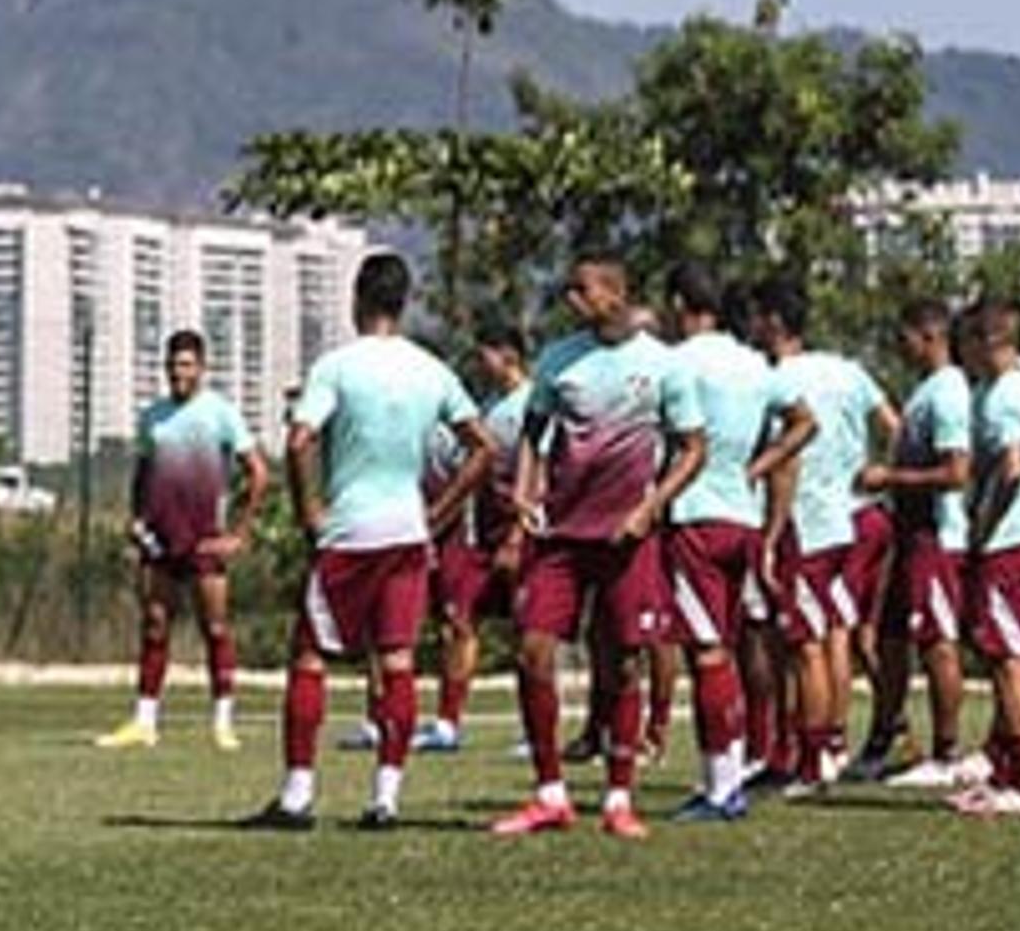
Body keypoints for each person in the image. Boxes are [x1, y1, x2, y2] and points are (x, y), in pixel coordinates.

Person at [250, 254, 488, 832]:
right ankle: (386, 799)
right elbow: (483, 447)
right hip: (406, 532)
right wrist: (439, 511)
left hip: (348, 533)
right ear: (403, 302)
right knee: (399, 661)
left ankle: (298, 796)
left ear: (357, 298)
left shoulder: (336, 365)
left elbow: (299, 438)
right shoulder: (431, 370)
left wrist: (310, 508)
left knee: (309, 656)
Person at [491, 255, 699, 841]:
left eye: (580, 289)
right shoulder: (559, 360)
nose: (570, 298)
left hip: (626, 537)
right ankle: (550, 794)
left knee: (622, 663)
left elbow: (692, 449)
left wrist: (647, 511)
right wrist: (527, 493)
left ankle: (618, 798)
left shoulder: (662, 365)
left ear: (614, 292)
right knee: (533, 651)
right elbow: (534, 433)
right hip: (560, 536)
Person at [741, 278, 891, 794]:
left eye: (757, 316)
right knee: (831, 633)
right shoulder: (847, 370)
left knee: (804, 643)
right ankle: (826, 744)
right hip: (847, 517)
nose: (751, 327)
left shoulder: (774, 379)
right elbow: (893, 424)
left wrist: (771, 528)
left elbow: (790, 456)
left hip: (804, 521)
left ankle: (814, 757)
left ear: (774, 322)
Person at [98, 329, 263, 752]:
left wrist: (239, 534)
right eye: (173, 365)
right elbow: (142, 472)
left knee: (216, 627)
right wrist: (135, 519)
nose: (179, 373)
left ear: (202, 368)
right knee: (154, 627)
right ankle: (144, 721)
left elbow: (258, 473)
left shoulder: (221, 413)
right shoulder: (152, 417)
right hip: (160, 540)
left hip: (205, 540)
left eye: (187, 365)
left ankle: (223, 721)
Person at [656, 265, 775, 822]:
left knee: (706, 652)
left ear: (681, 304)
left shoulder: (675, 363)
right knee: (724, 647)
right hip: (742, 517)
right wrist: (755, 467)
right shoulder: (755, 363)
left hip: (695, 517)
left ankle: (721, 785)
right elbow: (801, 423)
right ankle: (731, 773)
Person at [949, 300, 1020, 820]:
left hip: (1009, 544)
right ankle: (1003, 769)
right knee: (1011, 654)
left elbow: (1013, 468)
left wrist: (982, 528)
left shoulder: (1000, 399)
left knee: (1006, 660)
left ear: (980, 343)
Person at [857, 300, 975, 785]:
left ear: (928, 336)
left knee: (937, 643)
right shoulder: (925, 391)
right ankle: (883, 738)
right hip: (908, 536)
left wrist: (890, 477)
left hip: (936, 536)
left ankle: (947, 752)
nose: (899, 348)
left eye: (904, 338)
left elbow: (956, 472)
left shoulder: (947, 392)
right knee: (889, 641)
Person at [425, 324, 532, 752]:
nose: (478, 362)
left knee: (527, 632)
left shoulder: (531, 404)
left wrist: (521, 534)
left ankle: (532, 729)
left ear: (508, 354)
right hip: (482, 538)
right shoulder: (487, 405)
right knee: (458, 620)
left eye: (484, 353)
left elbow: (541, 472)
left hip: (519, 534)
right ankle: (448, 724)